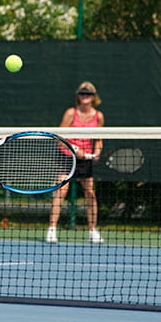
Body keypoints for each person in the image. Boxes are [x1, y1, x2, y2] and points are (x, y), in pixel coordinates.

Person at [46, 81, 104, 244]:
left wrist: (97, 151)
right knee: (61, 191)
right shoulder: (71, 113)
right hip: (67, 157)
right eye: (82, 93)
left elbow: (99, 138)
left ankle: (92, 231)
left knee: (90, 194)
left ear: (94, 97)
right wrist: (75, 150)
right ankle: (52, 230)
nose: (85, 96)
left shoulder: (98, 116)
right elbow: (60, 138)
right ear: (78, 96)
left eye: (88, 94)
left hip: (86, 161)